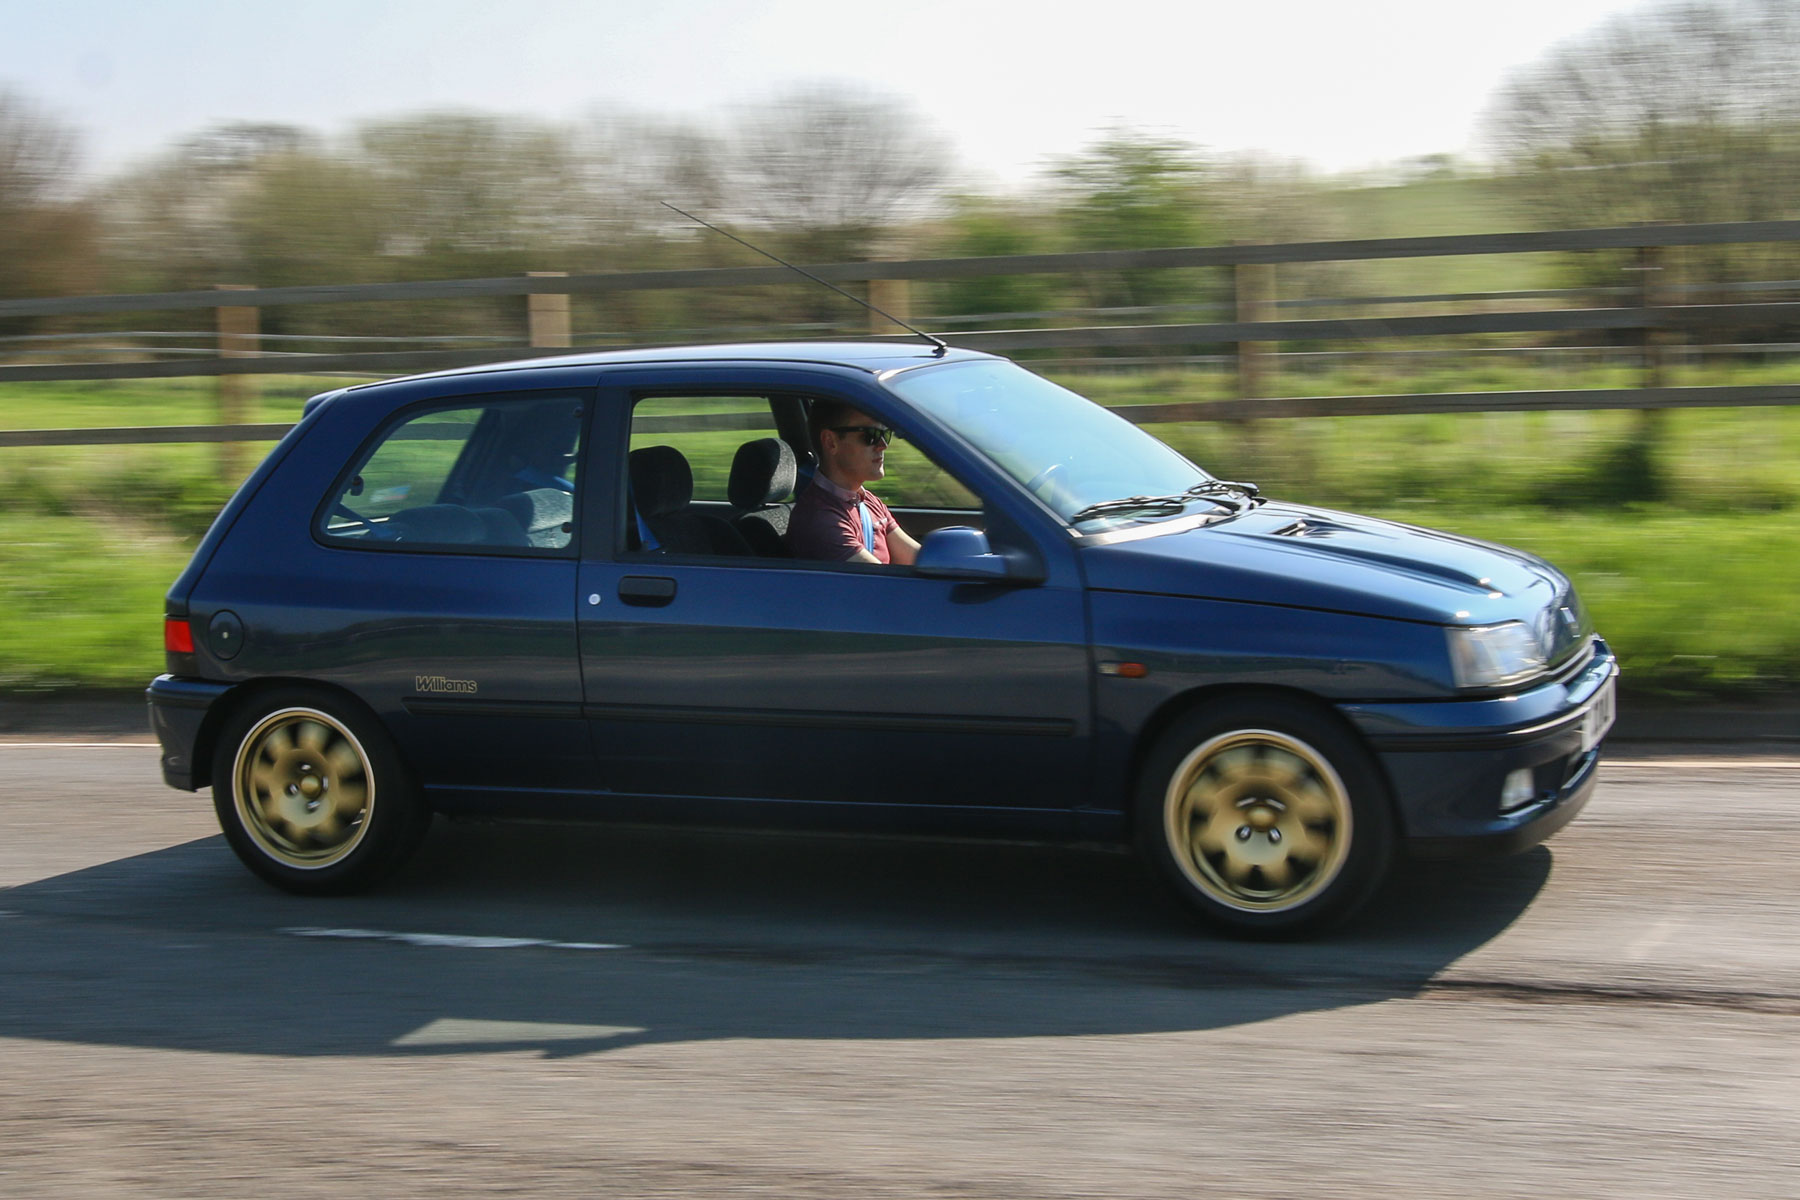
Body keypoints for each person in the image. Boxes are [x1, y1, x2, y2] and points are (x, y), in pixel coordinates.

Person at [786, 400, 921, 565]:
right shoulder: (821, 521)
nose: (883, 445)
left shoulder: (866, 500)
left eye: (885, 434)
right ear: (831, 442)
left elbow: (920, 560)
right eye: (870, 436)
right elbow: (882, 586)